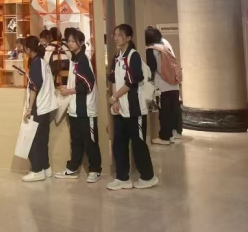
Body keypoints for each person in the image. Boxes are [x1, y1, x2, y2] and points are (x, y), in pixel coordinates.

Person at [107, 24, 158, 191]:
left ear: (128, 37)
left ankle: (148, 177)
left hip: (135, 110)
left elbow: (132, 82)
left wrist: (114, 97)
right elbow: (113, 79)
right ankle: (122, 178)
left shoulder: (133, 56)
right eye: (114, 35)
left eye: (119, 35)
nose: (116, 38)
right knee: (119, 144)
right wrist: (115, 101)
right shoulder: (117, 57)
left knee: (138, 144)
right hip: (120, 109)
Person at [55, 30, 101, 183]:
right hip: (75, 109)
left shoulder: (82, 60)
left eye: (73, 41)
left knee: (90, 142)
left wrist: (69, 91)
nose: (69, 43)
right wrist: (68, 88)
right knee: (76, 142)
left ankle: (95, 170)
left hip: (86, 110)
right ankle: (73, 168)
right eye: (68, 40)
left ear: (81, 42)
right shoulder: (75, 59)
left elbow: (88, 84)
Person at [21, 36, 58, 182]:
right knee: (42, 140)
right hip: (47, 107)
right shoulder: (42, 61)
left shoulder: (36, 63)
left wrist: (29, 109)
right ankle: (45, 168)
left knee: (33, 140)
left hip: (39, 107)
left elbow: (34, 87)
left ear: (28, 49)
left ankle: (37, 170)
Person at [146, 27, 182, 145]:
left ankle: (164, 137)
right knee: (172, 112)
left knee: (164, 113)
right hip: (174, 85)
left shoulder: (151, 50)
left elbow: (150, 70)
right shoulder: (165, 48)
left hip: (162, 86)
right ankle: (171, 135)